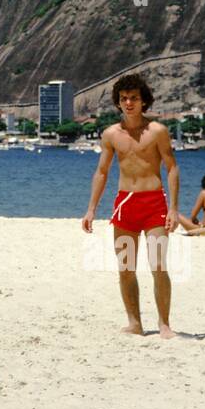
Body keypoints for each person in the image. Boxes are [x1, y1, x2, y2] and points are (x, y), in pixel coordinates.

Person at [81, 73, 181, 339]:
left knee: (158, 265)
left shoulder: (157, 131)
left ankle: (164, 324)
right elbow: (101, 172)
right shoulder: (111, 134)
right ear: (118, 102)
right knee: (126, 268)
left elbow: (171, 168)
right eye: (124, 98)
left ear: (143, 101)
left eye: (134, 98)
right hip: (125, 204)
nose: (128, 103)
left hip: (154, 204)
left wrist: (173, 208)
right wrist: (91, 209)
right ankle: (135, 323)